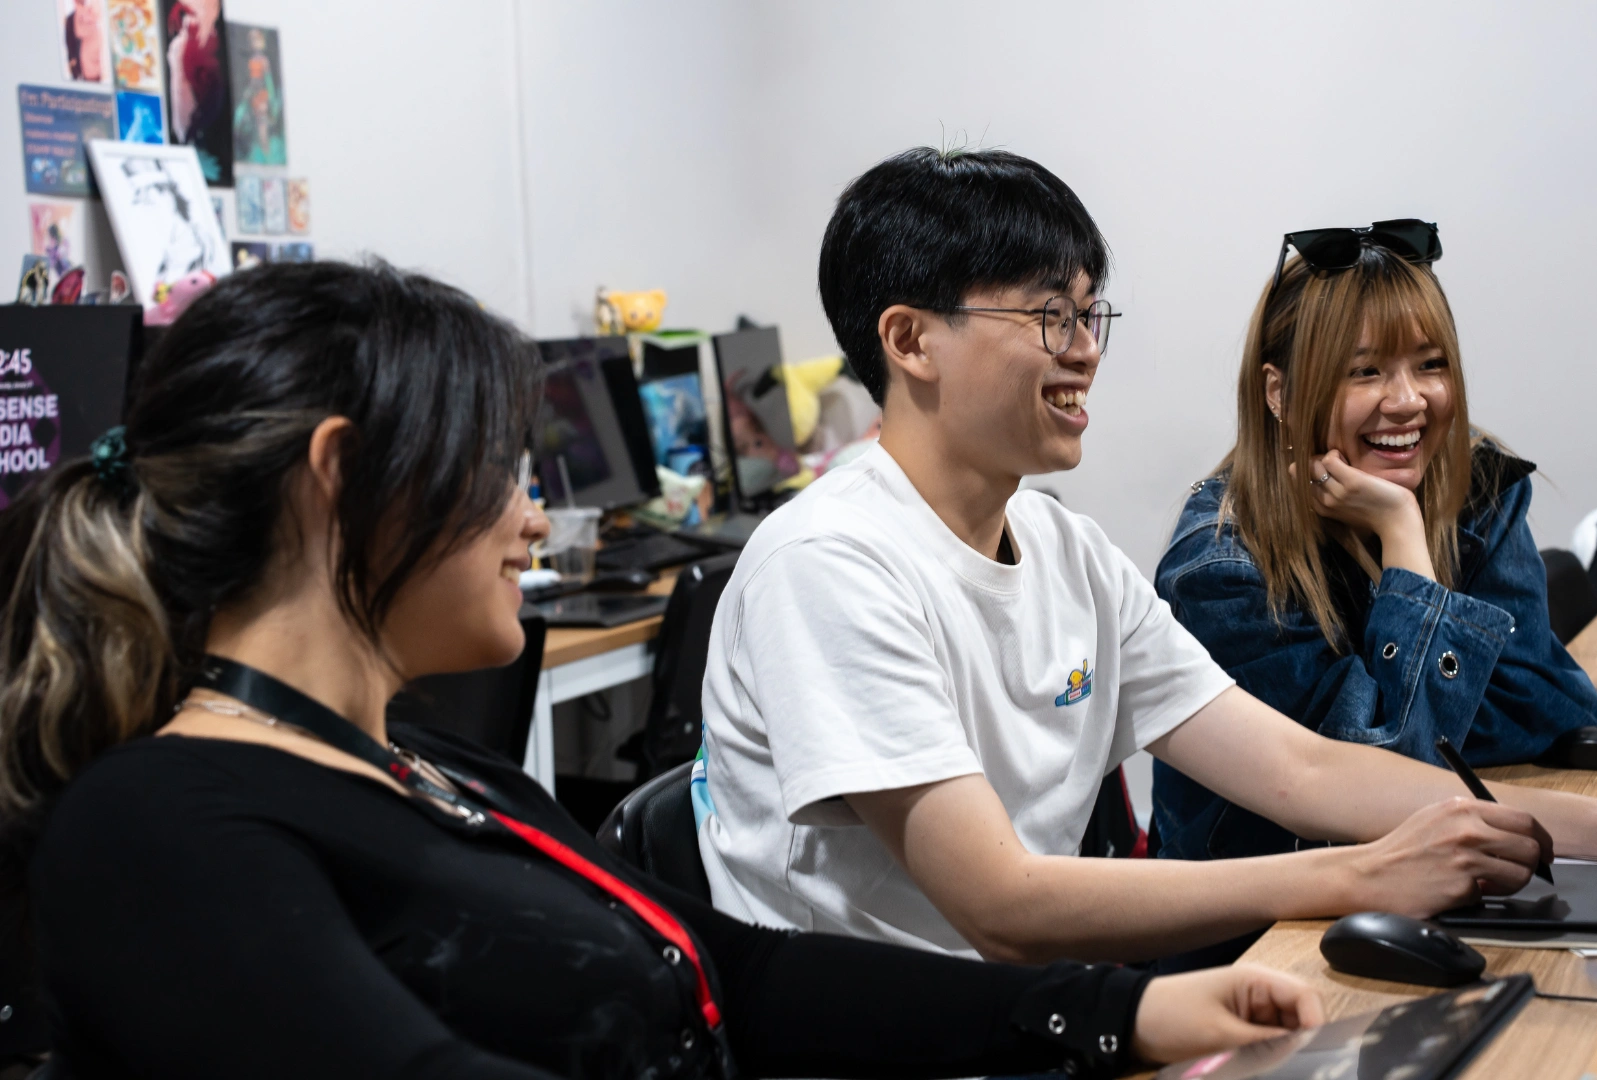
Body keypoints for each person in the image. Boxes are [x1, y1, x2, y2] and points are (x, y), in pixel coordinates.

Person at [0, 261, 1326, 1078]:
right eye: (501, 471)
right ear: (345, 481)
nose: (533, 516)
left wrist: (1117, 1016)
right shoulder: (160, 829)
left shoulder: (424, 765)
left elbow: (732, 973)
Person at [696, 147, 1597, 969]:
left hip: (1041, 1010)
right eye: (1048, 316)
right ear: (909, 340)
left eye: (1090, 312)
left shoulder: (1067, 551)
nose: (1085, 349)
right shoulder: (831, 562)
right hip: (913, 1041)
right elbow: (1002, 903)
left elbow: (1309, 767)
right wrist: (1360, 875)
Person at [1151, 221, 1597, 863]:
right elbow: (1390, 785)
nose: (1408, 400)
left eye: (1431, 364)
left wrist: (1395, 707)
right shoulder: (1221, 570)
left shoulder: (1478, 491)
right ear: (1278, 391)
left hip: (1434, 874)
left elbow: (1555, 707)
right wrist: (1403, 537)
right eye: (1364, 371)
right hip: (1262, 924)